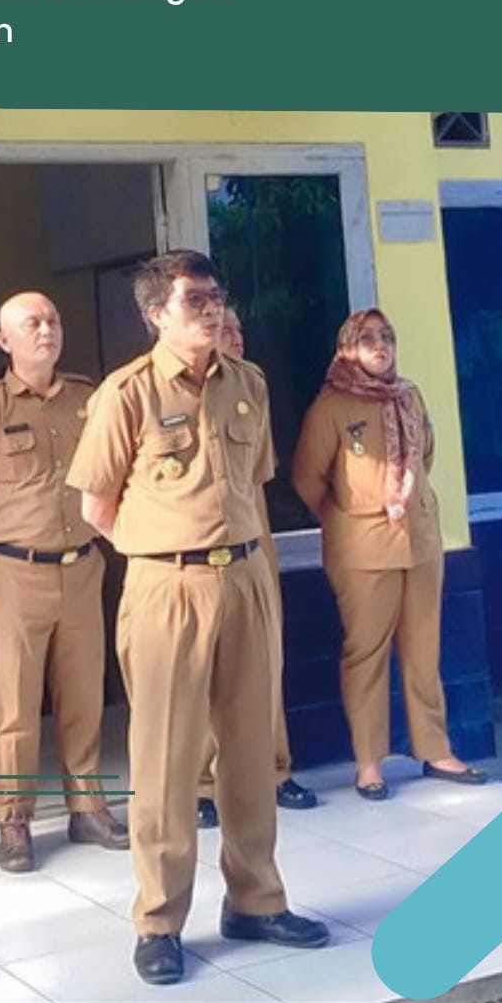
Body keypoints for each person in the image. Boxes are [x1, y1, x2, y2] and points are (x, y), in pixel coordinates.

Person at [66, 251, 329, 986]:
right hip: (167, 586)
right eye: (194, 301)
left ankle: (256, 900)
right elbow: (95, 506)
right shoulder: (127, 393)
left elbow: (253, 483)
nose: (211, 310)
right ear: (157, 314)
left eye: (216, 297)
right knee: (166, 760)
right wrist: (161, 551)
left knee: (250, 751)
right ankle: (158, 921)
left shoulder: (248, 383)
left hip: (244, 576)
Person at [0, 292, 128, 874]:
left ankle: (88, 806)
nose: (46, 330)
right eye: (32, 324)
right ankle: (14, 819)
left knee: (83, 696)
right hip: (16, 572)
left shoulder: (86, 398)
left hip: (82, 566)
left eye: (52, 320)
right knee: (15, 704)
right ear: (5, 341)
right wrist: (12, 528)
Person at [291, 307, 488, 800]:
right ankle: (369, 763)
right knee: (367, 654)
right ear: (347, 348)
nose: (380, 346)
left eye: (387, 337)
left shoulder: (409, 395)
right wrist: (346, 517)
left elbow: (425, 454)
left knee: (424, 650)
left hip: (419, 540)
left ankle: (435, 749)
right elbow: (307, 478)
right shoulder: (332, 406)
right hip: (362, 548)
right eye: (367, 339)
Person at [197, 306, 317, 829]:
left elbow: (265, 467)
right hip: (201, 542)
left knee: (266, 659)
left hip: (253, 526)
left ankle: (275, 769)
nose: (235, 337)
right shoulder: (178, 392)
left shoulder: (253, 386)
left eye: (238, 329)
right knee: (204, 670)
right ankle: (203, 784)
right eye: (224, 330)